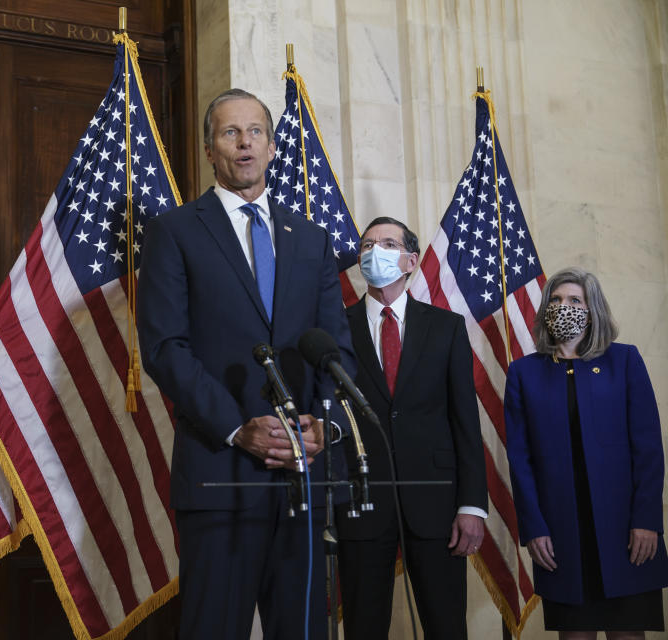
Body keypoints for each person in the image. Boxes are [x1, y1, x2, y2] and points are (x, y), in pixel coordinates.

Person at [137, 88, 354, 639]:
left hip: (302, 482)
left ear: (272, 144)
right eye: (230, 133)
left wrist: (322, 427)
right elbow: (165, 348)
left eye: (255, 131)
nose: (244, 143)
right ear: (210, 149)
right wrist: (238, 428)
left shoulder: (310, 238)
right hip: (219, 475)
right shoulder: (175, 232)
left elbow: (337, 350)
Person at [336, 216, 488, 640]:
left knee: (445, 626)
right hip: (361, 507)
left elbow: (464, 421)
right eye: (366, 245)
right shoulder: (335, 328)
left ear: (410, 260)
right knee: (364, 628)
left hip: (437, 506)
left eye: (386, 243)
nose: (373, 252)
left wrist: (472, 505)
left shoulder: (446, 327)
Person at [504, 267, 668, 639]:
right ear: (546, 310)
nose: (565, 307)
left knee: (627, 632)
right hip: (561, 531)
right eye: (557, 300)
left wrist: (647, 519)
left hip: (625, 529)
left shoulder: (625, 361)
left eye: (575, 300)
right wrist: (534, 528)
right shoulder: (523, 373)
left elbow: (648, 448)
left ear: (592, 310)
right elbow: (520, 460)